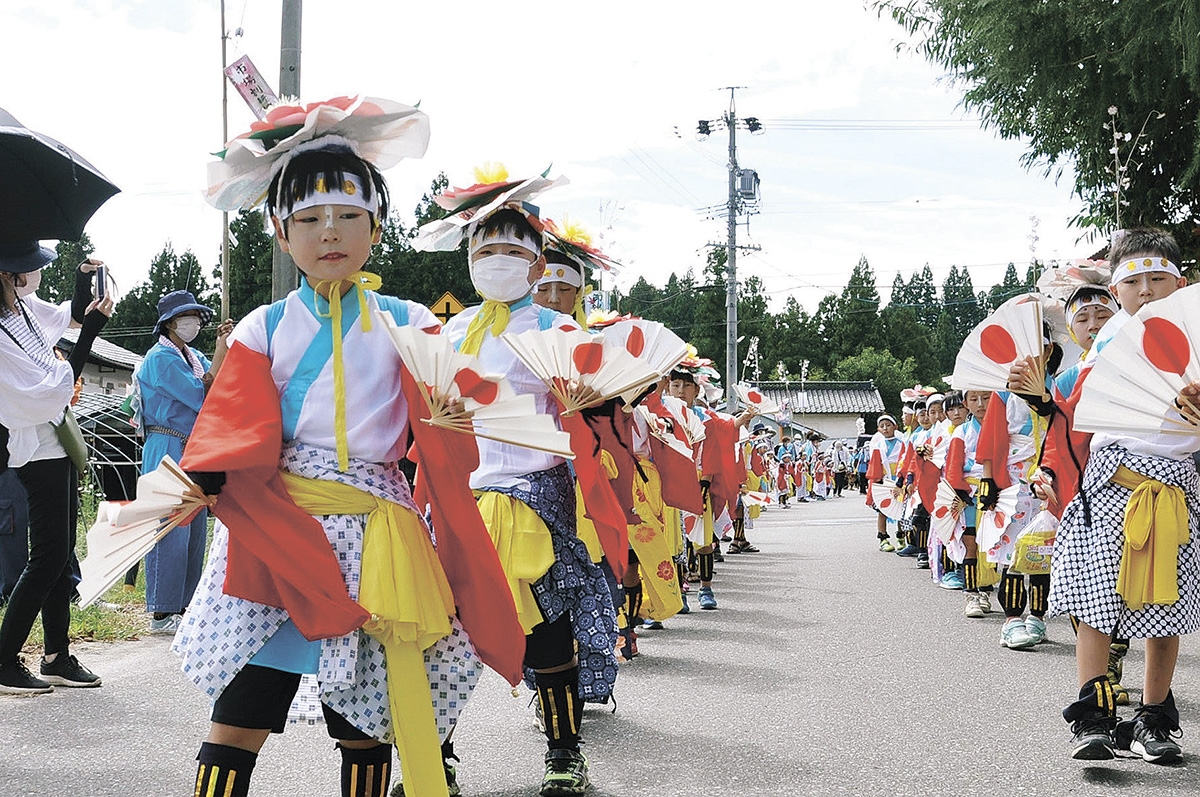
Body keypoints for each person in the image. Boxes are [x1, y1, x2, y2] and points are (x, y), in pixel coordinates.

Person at [173, 98, 516, 797]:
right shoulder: (263, 328)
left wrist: (453, 414)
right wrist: (210, 467)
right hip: (279, 525)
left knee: (364, 719)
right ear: (280, 230)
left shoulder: (412, 322)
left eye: (348, 216)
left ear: (375, 226)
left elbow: (446, 424)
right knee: (242, 708)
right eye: (309, 219)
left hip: (377, 528)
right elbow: (232, 413)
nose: (329, 232)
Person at [432, 193, 619, 796]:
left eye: (513, 250)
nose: (497, 261)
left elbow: (595, 403)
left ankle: (564, 752)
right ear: (467, 261)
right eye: (485, 250)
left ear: (538, 266)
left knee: (547, 628)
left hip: (535, 497)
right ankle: (437, 754)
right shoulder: (447, 331)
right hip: (461, 497)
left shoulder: (557, 329)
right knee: (445, 628)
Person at [1044, 228, 1198, 762]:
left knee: (1167, 605)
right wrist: (1042, 401)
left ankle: (1155, 718)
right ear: (1116, 290)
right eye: (1134, 281)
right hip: (1111, 478)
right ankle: (1094, 717)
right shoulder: (1103, 342)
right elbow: (1071, 416)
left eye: (1160, 278)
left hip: (1177, 481)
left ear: (1182, 282)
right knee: (1093, 600)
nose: (1148, 290)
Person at [0, 241, 112, 694]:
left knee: (61, 555)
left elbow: (71, 315)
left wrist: (84, 277)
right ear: (6, 277)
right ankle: (5, 660)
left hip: (57, 442)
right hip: (36, 449)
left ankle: (56, 655)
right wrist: (89, 337)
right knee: (47, 557)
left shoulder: (21, 309)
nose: (32, 278)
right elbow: (49, 394)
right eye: (24, 271)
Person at [136, 291, 232, 634]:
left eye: (194, 315)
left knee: (191, 529)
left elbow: (220, 382)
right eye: (185, 316)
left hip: (192, 446)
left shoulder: (193, 356)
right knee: (169, 525)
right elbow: (202, 392)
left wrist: (225, 350)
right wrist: (221, 352)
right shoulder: (161, 358)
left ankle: (185, 604)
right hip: (167, 444)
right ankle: (162, 611)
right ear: (169, 322)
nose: (191, 322)